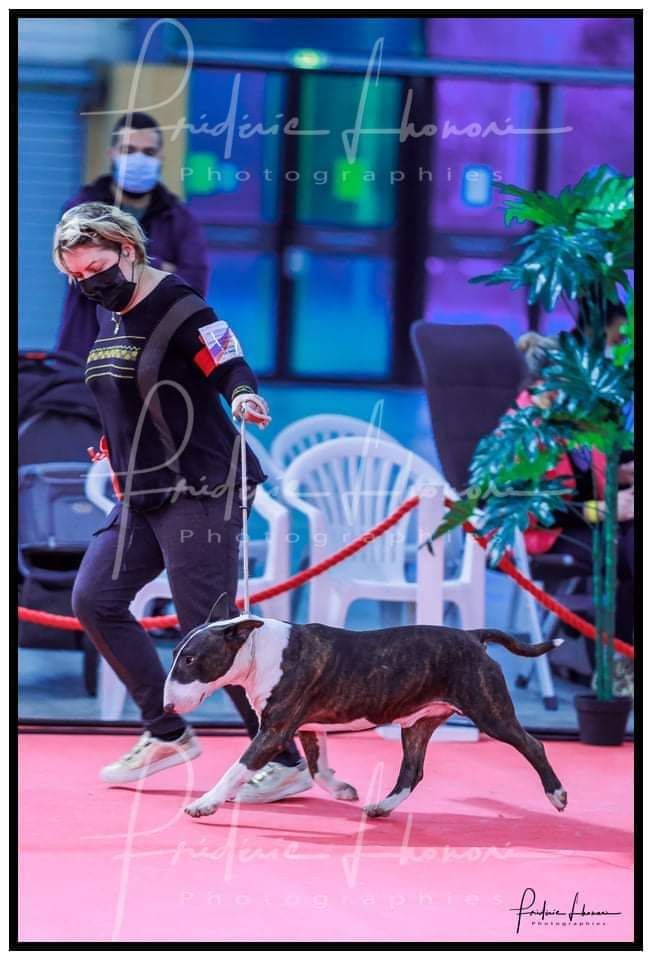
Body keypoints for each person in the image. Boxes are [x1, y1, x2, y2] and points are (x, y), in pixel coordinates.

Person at [53, 202, 311, 803]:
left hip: (202, 484)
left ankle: (282, 760)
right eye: (75, 276)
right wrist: (115, 441)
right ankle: (166, 731)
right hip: (142, 490)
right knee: (95, 599)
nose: (88, 284)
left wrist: (243, 396)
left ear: (128, 250)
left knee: (211, 629)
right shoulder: (111, 314)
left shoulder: (178, 303)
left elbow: (227, 362)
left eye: (96, 268)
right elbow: (130, 395)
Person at [516, 327, 634, 693]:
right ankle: (619, 666)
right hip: (547, 534)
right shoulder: (523, 431)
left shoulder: (571, 422)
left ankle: (622, 663)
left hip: (587, 524)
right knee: (632, 552)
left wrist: (621, 474)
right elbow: (534, 507)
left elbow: (586, 473)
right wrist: (604, 509)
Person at [55, 112, 209, 362]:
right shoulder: (80, 210)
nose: (139, 159)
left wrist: (116, 264)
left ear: (160, 158)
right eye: (129, 150)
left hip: (157, 360)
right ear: (112, 154)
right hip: (87, 354)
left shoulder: (179, 218)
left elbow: (193, 286)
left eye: (148, 152)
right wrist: (162, 269)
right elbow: (85, 276)